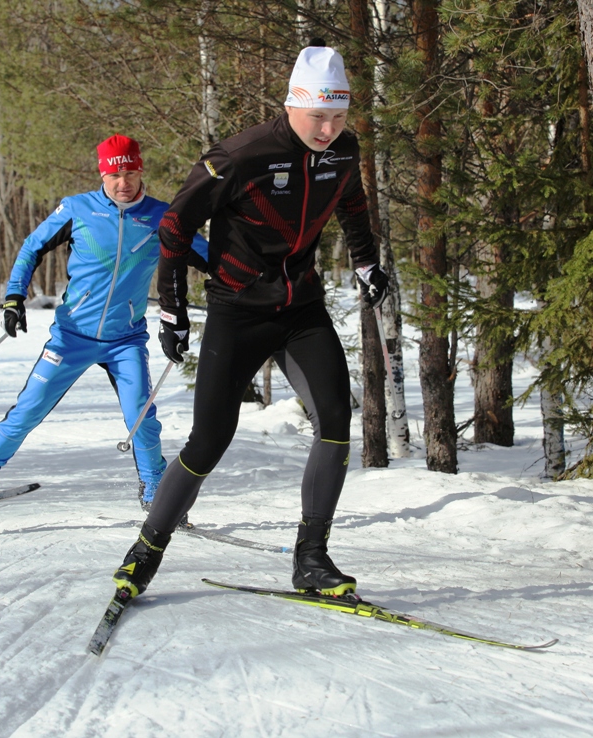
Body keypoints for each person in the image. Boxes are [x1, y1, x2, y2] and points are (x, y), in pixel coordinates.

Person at [110, 42, 391, 599]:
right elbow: (174, 228)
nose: (329, 129)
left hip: (300, 307)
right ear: (292, 106)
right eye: (319, 116)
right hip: (238, 311)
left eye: (338, 117)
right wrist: (171, 309)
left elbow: (353, 203)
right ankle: (146, 550)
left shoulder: (343, 150)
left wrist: (365, 260)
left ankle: (312, 559)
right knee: (210, 439)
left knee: (335, 419)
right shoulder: (242, 155)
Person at [0, 134, 207, 513]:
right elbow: (32, 247)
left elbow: (212, 257)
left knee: (140, 417)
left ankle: (156, 492)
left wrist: (247, 278)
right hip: (71, 337)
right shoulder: (77, 209)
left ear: (140, 170)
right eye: (114, 174)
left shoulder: (161, 218)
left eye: (130, 172)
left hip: (124, 340)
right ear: (102, 173)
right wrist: (15, 296)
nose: (123, 183)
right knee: (29, 408)